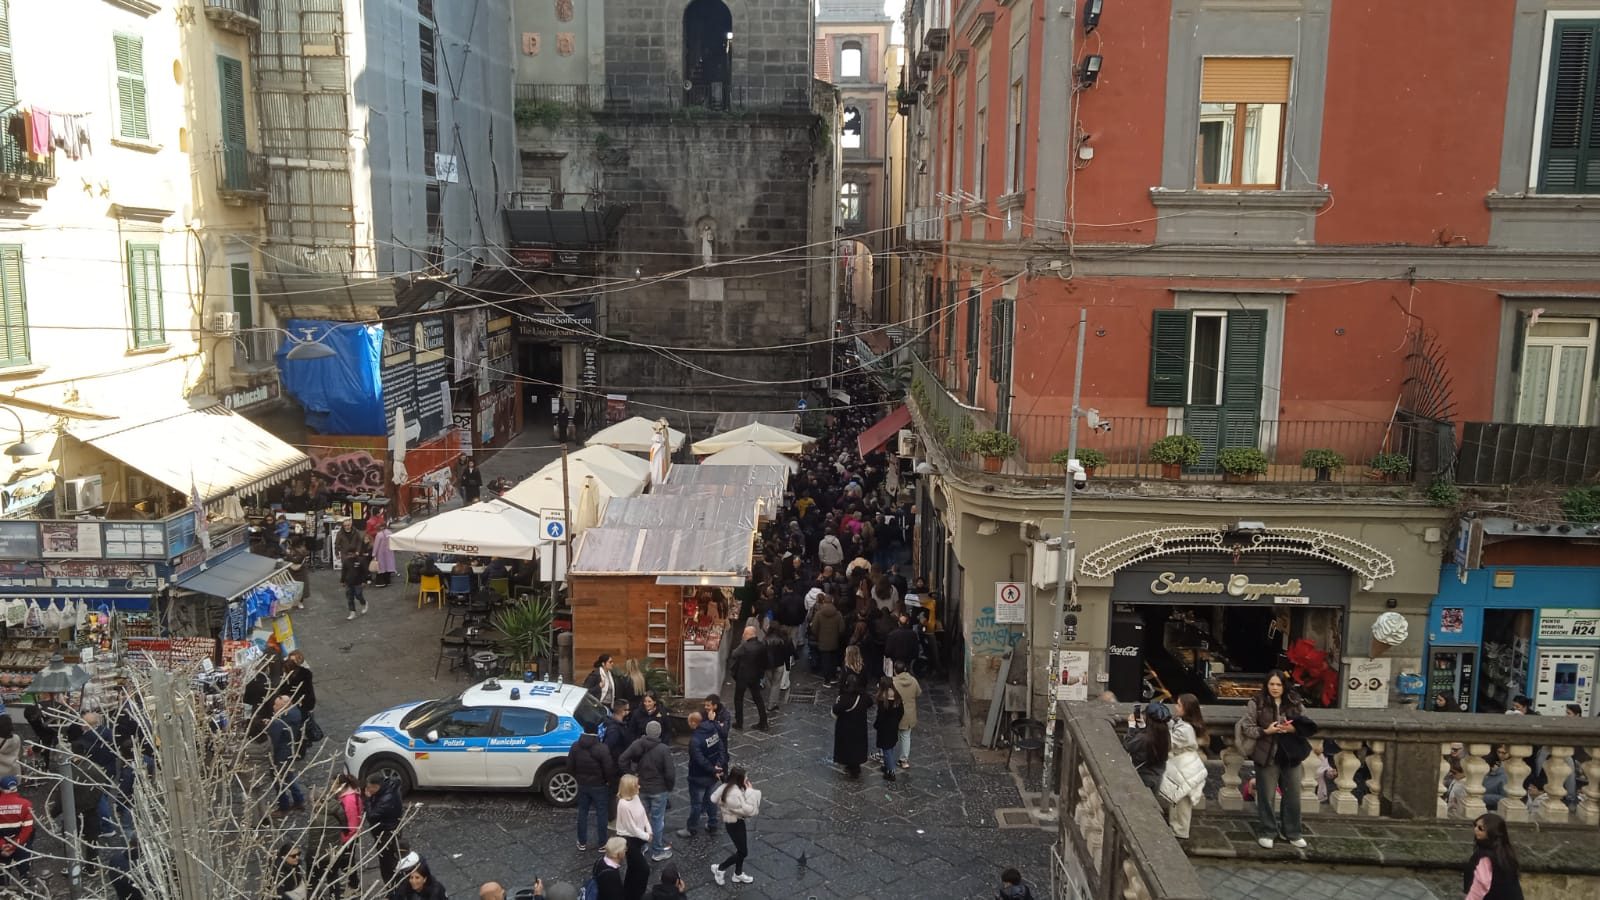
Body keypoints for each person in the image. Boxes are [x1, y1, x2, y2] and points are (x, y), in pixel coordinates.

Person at [1241, 669, 1314, 849]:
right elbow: (1247, 727)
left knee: (1293, 794)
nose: (1275, 688)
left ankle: (1293, 832)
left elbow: (1305, 724)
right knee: (1266, 795)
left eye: (1278, 685)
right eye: (1271, 684)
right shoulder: (1257, 702)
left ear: (1284, 686)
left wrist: (1292, 729)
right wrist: (1266, 731)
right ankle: (1268, 831)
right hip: (1267, 754)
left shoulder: (1294, 701)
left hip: (1290, 754)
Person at [618, 720, 675, 862]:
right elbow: (670, 773)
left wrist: (632, 774)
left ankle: (642, 846)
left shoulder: (637, 744)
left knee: (641, 818)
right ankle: (657, 850)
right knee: (657, 820)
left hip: (641, 788)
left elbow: (622, 759)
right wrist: (669, 787)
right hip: (659, 789)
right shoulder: (663, 749)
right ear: (659, 733)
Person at [1160, 694, 1209, 840]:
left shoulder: (1186, 729)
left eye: (1179, 705)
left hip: (1184, 767)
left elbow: (1169, 742)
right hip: (1184, 766)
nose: (1176, 707)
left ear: (1186, 709)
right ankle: (1177, 829)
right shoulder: (1185, 724)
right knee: (1179, 800)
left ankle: (1180, 831)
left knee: (1181, 802)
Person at [568, 717, 617, 851]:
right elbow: (608, 769)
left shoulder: (575, 746)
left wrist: (578, 777)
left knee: (582, 812)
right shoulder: (602, 748)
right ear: (596, 732)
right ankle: (602, 843)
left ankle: (582, 842)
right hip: (599, 785)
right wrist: (609, 782)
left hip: (582, 785)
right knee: (601, 814)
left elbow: (570, 767)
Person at [312, 773, 363, 898]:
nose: (331, 786)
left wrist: (343, 839)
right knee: (346, 863)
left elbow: (352, 823)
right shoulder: (346, 796)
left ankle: (355, 887)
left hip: (348, 838)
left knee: (347, 863)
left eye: (333, 784)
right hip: (347, 836)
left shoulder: (349, 800)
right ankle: (352, 884)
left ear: (341, 785)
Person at [709, 767, 761, 886]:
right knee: (743, 852)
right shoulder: (734, 794)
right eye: (745, 777)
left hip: (736, 822)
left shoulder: (729, 787)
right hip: (734, 824)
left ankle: (738, 874)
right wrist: (751, 792)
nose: (747, 779)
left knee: (741, 850)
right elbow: (750, 811)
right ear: (739, 778)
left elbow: (714, 798)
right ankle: (720, 868)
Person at [679, 711, 726, 839]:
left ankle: (691, 828)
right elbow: (721, 749)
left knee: (696, 804)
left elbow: (699, 760)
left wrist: (713, 769)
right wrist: (717, 766)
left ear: (694, 723)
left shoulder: (695, 740)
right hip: (712, 775)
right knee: (710, 800)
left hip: (698, 776)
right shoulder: (713, 730)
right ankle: (712, 824)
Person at [1465, 813, 1524, 900]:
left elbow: (1480, 884)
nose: (1476, 829)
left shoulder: (1485, 856)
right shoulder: (1506, 853)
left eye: (1481, 828)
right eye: (1475, 826)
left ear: (1491, 831)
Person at [831, 660, 872, 778]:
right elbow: (870, 703)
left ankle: (850, 765)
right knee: (857, 747)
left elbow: (836, 709)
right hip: (859, 726)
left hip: (846, 727)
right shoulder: (863, 696)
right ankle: (855, 766)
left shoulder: (845, 698)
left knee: (847, 747)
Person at [363, 771, 405, 885]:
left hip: (386, 833)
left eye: (369, 787)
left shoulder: (386, 799)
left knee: (387, 862)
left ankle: (392, 886)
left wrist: (368, 800)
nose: (367, 790)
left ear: (376, 786)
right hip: (391, 829)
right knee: (392, 859)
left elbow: (372, 815)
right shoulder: (389, 789)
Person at [614, 775, 652, 900]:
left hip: (638, 837)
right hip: (628, 839)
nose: (639, 786)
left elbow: (643, 814)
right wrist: (647, 836)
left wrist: (649, 830)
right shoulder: (623, 804)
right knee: (644, 869)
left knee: (633, 868)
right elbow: (631, 827)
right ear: (629, 788)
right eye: (636, 785)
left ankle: (628, 893)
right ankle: (637, 895)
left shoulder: (635, 796)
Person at [267, 696, 307, 815]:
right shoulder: (295, 713)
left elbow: (273, 741)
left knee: (279, 780)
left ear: (283, 707)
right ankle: (299, 800)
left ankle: (284, 806)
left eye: (276, 705)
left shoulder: (279, 723)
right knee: (289, 777)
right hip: (289, 750)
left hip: (280, 755)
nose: (273, 707)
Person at [728, 626, 770, 731]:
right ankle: (763, 722)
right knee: (758, 698)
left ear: (749, 634)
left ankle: (739, 722)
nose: (743, 635)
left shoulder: (744, 646)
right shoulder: (762, 645)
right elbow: (765, 662)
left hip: (742, 676)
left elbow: (734, 654)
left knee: (738, 699)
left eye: (744, 633)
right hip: (755, 676)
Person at [1123, 702, 1171, 794]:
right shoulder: (1165, 734)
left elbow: (1127, 745)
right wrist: (1141, 726)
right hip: (1157, 775)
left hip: (1143, 777)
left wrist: (1131, 727)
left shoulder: (1144, 738)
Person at [0, 775, 33, 884]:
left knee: (2, 876)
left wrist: (2, 845)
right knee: (25, 874)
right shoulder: (26, 805)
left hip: (1, 848)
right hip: (21, 846)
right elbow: (28, 830)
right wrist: (14, 845)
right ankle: (25, 882)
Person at [808, 595, 844, 684]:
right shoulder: (838, 614)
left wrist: (818, 636)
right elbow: (842, 629)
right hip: (834, 641)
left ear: (824, 602)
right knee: (833, 659)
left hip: (823, 641)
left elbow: (814, 628)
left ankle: (827, 680)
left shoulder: (819, 614)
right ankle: (833, 677)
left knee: (825, 660)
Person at [891, 662, 919, 771]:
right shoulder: (913, 680)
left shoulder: (893, 682)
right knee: (906, 736)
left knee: (891, 735)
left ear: (895, 670)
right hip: (909, 713)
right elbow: (918, 693)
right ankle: (904, 760)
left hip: (895, 713)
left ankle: (888, 756)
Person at [874, 679, 903, 782]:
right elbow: (901, 712)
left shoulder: (883, 700)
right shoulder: (897, 697)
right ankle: (887, 766)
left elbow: (880, 716)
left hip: (884, 728)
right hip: (893, 726)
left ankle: (891, 771)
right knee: (890, 747)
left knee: (886, 750)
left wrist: (877, 725)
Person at [285, 537, 312, 609]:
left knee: (300, 587)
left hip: (300, 572)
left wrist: (288, 555)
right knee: (293, 586)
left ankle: (299, 602)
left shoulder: (301, 550)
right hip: (293, 571)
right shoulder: (293, 549)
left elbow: (297, 560)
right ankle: (294, 601)